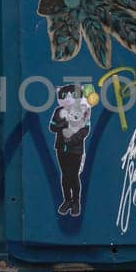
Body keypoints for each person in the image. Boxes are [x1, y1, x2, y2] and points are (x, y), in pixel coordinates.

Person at [49, 85, 91, 216]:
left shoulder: (83, 110)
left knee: (73, 176)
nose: (67, 99)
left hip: (75, 149)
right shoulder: (58, 111)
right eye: (64, 96)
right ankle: (67, 200)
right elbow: (52, 127)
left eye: (71, 96)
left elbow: (85, 130)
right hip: (61, 148)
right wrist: (63, 124)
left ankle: (76, 202)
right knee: (65, 176)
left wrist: (72, 139)